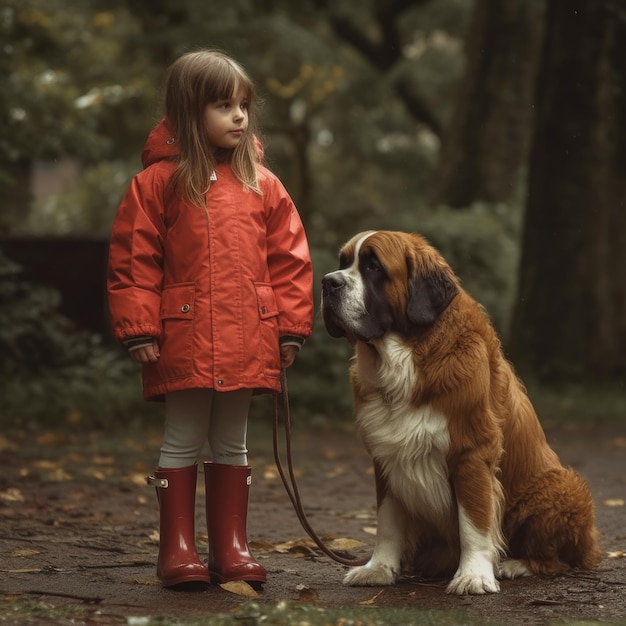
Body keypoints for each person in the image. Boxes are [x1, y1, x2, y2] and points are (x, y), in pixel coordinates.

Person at [107, 49, 314, 589]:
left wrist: (289, 326)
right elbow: (134, 260)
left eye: (244, 105)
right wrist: (139, 328)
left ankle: (231, 547)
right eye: (224, 106)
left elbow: (290, 260)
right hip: (185, 334)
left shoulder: (262, 184)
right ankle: (176, 549)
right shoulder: (157, 184)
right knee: (182, 436)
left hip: (249, 333)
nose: (240, 117)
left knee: (233, 440)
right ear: (187, 111)